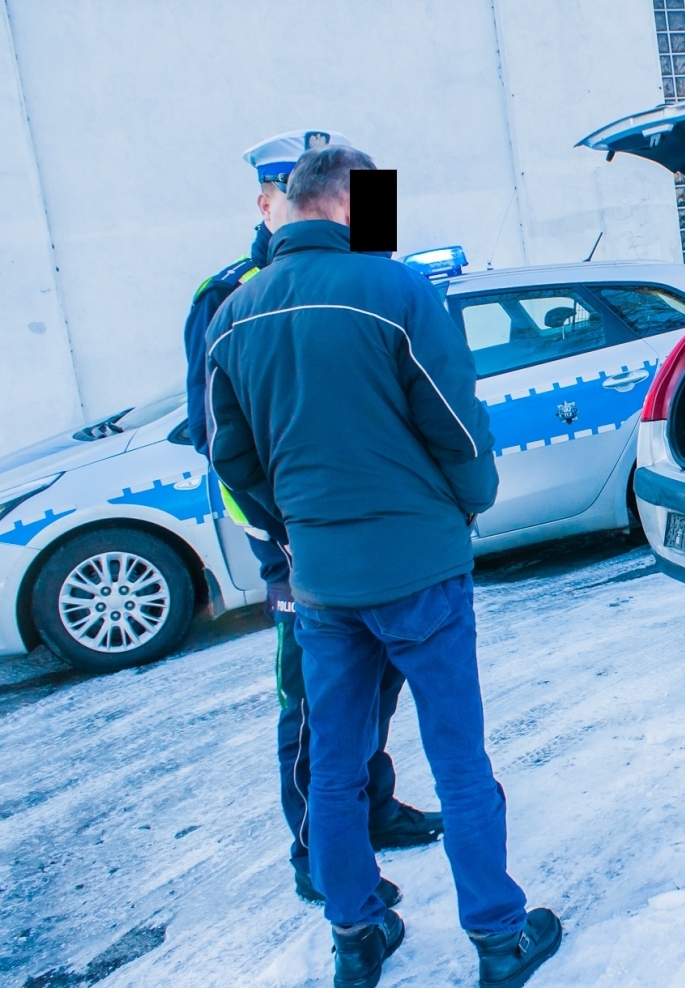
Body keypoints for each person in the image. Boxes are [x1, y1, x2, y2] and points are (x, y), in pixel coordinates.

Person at [205, 145, 559, 988]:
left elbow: (231, 456)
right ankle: (499, 938)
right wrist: (467, 503)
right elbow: (456, 424)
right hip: (419, 567)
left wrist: (295, 531)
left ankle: (356, 934)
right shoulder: (398, 291)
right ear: (347, 205)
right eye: (379, 208)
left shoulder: (235, 314)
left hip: (322, 581)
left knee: (334, 765)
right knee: (458, 757)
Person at [181, 130, 443, 907]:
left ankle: (373, 807)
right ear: (269, 203)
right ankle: (316, 856)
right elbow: (217, 434)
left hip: (382, 531)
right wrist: (287, 531)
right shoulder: (227, 296)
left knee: (381, 680)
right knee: (314, 701)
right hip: (297, 541)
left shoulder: (375, 270)